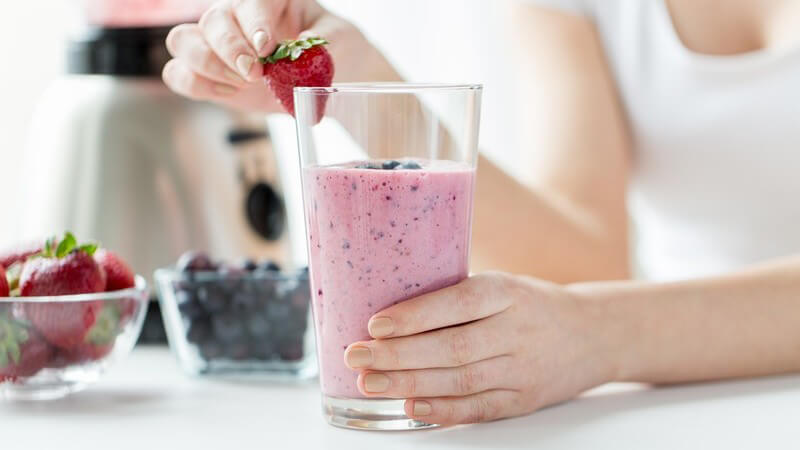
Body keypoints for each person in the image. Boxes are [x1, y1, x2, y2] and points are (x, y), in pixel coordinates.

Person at [162, 0, 800, 425]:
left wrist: (598, 335)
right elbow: (582, 259)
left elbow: (594, 307)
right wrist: (355, 81)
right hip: (694, 406)